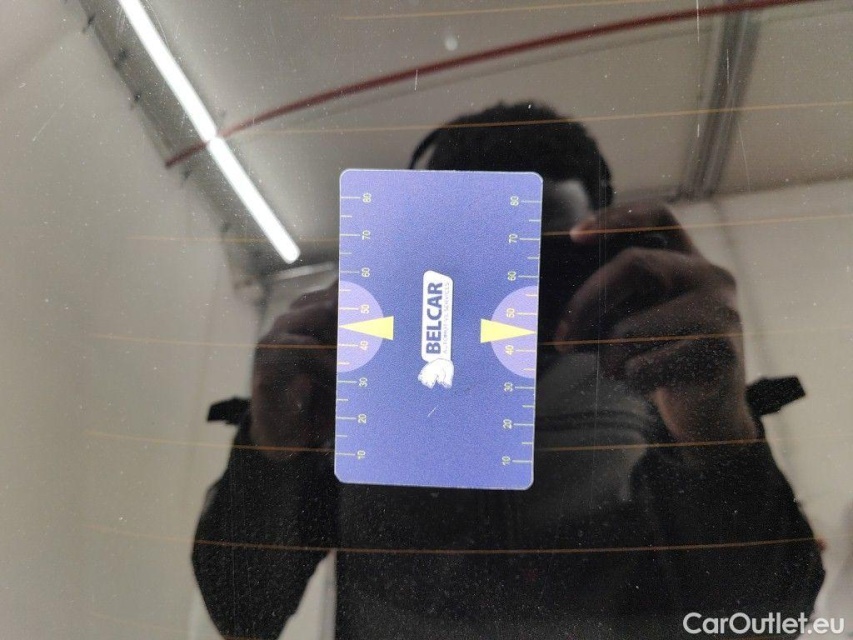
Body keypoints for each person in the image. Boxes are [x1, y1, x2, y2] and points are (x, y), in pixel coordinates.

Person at [192, 102, 824, 639]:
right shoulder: (365, 384)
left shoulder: (658, 375)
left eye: (548, 256)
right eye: (477, 250)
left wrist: (719, 438)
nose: (515, 293)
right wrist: (271, 451)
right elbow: (244, 610)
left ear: (606, 241)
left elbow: (767, 620)